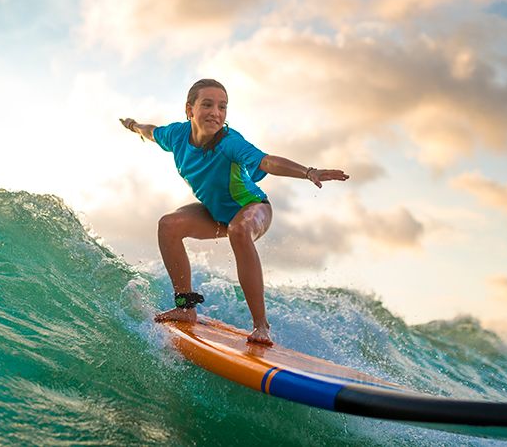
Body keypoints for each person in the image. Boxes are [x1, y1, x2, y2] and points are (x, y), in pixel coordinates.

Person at [120, 78, 349, 345]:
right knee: (168, 225)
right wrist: (134, 126)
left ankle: (261, 326)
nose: (216, 113)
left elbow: (266, 161)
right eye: (207, 104)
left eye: (222, 107)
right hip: (215, 213)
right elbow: (152, 131)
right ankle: (185, 307)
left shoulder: (229, 142)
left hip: (253, 208)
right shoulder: (176, 135)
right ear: (189, 109)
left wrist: (308, 172)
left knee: (238, 230)